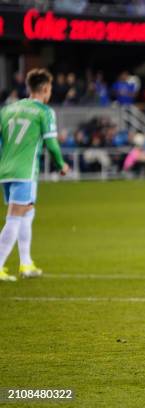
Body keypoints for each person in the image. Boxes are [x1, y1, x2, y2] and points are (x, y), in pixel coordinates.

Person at [0, 68, 70, 282]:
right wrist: (61, 164)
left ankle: (26, 263)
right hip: (25, 172)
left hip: (6, 170)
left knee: (27, 213)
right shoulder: (44, 111)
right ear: (46, 89)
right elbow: (51, 143)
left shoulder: (8, 110)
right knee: (14, 218)